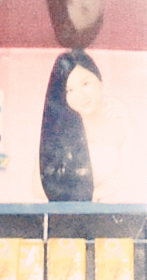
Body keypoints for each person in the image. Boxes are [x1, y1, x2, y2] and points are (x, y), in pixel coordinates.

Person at [39, 49, 102, 203]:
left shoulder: (118, 119)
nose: (81, 96)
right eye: (69, 90)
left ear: (99, 79)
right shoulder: (58, 136)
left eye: (85, 83)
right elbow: (39, 189)